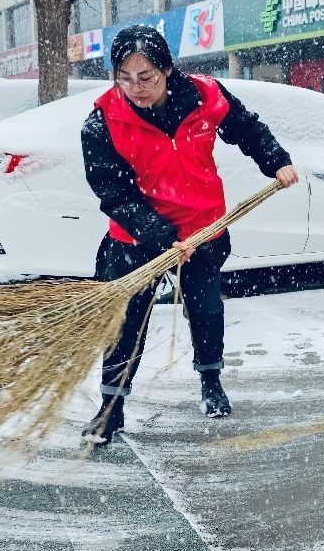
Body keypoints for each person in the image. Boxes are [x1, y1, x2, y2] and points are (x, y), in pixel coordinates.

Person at [80, 25, 299, 445]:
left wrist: (276, 161)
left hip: (202, 229)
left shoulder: (204, 96)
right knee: (123, 325)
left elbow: (246, 129)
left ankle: (211, 381)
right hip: (135, 238)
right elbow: (112, 191)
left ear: (167, 70)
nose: (136, 89)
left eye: (146, 77)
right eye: (124, 78)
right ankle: (111, 407)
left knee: (205, 310)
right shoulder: (103, 120)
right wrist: (160, 236)